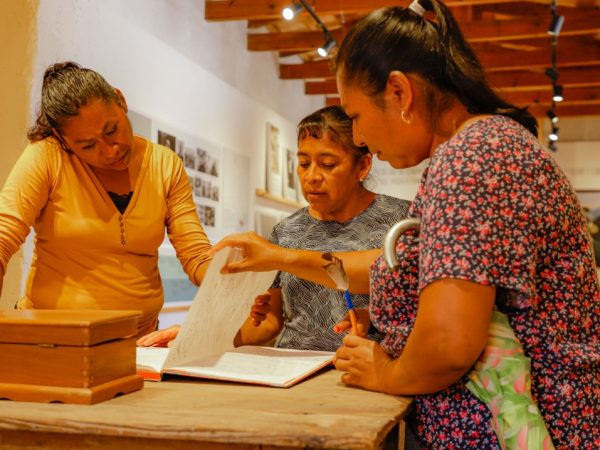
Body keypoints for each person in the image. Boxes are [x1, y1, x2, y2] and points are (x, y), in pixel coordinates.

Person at [210, 1, 600, 448]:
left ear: (399, 92)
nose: (359, 137)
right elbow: (434, 277)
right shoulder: (484, 147)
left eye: (356, 117)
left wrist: (385, 371)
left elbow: (448, 343)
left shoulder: (469, 159)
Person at [137, 105, 411, 350]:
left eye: (327, 164)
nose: (311, 176)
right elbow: (268, 322)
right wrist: (199, 336)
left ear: (362, 166)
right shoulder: (287, 230)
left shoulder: (399, 220)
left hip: (369, 367)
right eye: (303, 163)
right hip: (294, 369)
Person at [0, 62, 212, 338]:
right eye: (88, 145)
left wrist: (231, 279)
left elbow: (196, 255)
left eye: (111, 130)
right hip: (54, 339)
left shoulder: (164, 165)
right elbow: (3, 237)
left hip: (140, 339)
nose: (110, 151)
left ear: (120, 101)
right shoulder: (48, 156)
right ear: (63, 140)